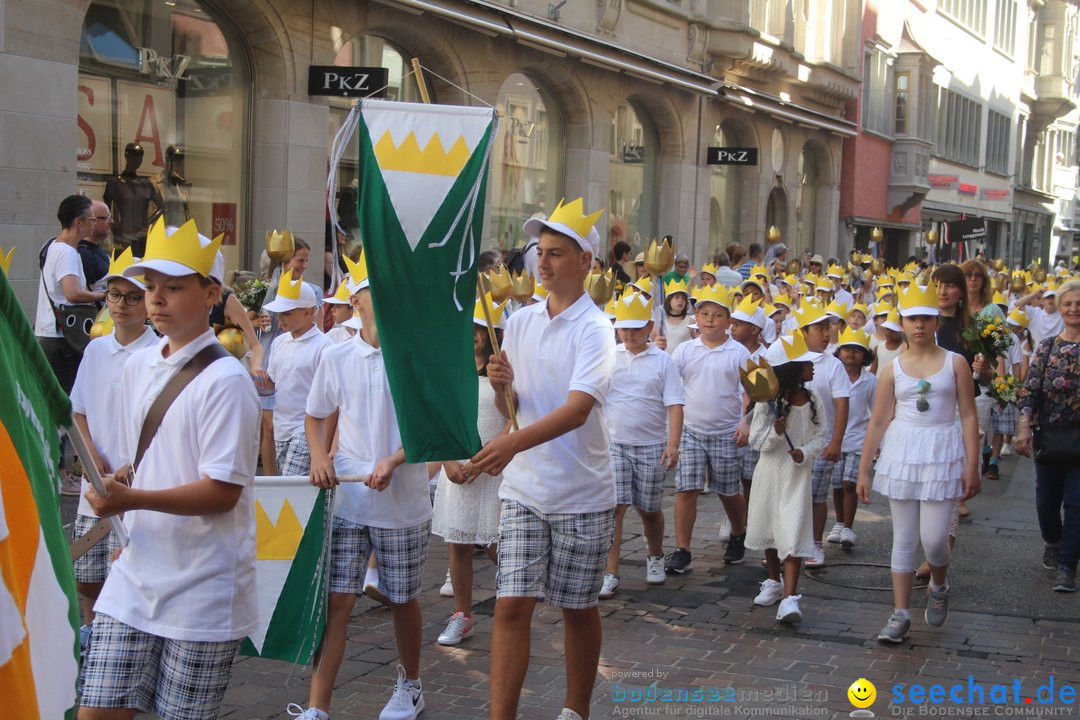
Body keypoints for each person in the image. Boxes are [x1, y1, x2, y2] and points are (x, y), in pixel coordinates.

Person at [80, 218, 261, 720]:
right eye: (151, 286)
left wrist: (132, 499)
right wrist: (122, 491)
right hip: (135, 574)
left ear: (210, 295)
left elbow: (222, 492)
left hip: (202, 588)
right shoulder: (138, 365)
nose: (156, 299)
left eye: (173, 288)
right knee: (96, 711)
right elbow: (141, 463)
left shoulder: (227, 380)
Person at [462, 199, 615, 720]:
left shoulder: (596, 330)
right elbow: (517, 408)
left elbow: (576, 411)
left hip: (581, 490)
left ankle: (576, 709)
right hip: (525, 489)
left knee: (577, 608)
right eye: (538, 253)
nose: (543, 264)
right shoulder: (521, 321)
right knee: (510, 605)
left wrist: (511, 441)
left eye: (556, 253)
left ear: (586, 262)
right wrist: (502, 389)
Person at [298, 267, 433, 720]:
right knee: (337, 601)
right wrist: (320, 457)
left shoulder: (414, 353)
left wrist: (394, 460)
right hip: (350, 500)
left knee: (402, 599)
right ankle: (318, 706)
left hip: (404, 500)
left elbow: (430, 427)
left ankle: (410, 685)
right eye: (377, 289)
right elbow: (316, 416)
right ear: (356, 302)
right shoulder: (337, 357)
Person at [857, 282, 979, 643]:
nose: (920, 325)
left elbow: (969, 416)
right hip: (903, 451)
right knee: (905, 537)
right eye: (912, 319)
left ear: (936, 321)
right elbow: (878, 420)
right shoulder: (891, 369)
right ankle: (900, 613)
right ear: (903, 323)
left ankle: (939, 583)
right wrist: (863, 469)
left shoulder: (955, 363)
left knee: (936, 538)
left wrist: (972, 465)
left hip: (942, 451)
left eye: (926, 318)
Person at [69, 248, 157, 646]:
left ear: (150, 303)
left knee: (130, 565)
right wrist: (90, 458)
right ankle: (90, 627)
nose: (122, 305)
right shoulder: (96, 350)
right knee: (87, 573)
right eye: (115, 296)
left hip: (139, 482)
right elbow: (79, 410)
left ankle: (122, 634)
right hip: (97, 477)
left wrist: (131, 466)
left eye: (133, 297)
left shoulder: (157, 355)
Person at [430, 295, 508, 646]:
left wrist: (490, 456)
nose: (474, 334)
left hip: (493, 467)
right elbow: (442, 419)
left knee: (498, 542)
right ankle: (462, 615)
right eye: (470, 328)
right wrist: (449, 461)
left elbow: (513, 418)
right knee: (458, 543)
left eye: (481, 328)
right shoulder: (452, 368)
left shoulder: (504, 370)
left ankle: (512, 606)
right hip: (458, 467)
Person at [599, 291, 684, 599]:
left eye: (636, 328)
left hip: (650, 444)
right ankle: (610, 570)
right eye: (624, 328)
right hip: (615, 443)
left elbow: (675, 404)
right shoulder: (609, 357)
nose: (629, 334)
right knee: (615, 508)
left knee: (648, 509)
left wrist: (672, 444)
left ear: (650, 326)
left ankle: (656, 553)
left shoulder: (663, 361)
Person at [667, 284, 752, 574]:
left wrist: (744, 422)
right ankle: (682, 549)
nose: (710, 320)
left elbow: (749, 391)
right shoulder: (685, 350)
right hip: (691, 430)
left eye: (717, 315)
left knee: (728, 491)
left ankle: (739, 533)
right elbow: (668, 382)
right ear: (696, 317)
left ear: (729, 321)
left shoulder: (738, 353)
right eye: (704, 313)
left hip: (726, 432)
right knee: (686, 488)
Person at [746, 330, 826, 623]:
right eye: (806, 363)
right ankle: (773, 580)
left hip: (796, 475)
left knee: (792, 532)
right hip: (770, 472)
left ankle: (791, 598)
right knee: (769, 526)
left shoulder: (813, 398)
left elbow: (821, 435)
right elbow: (757, 440)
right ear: (793, 370)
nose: (813, 366)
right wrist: (777, 434)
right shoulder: (767, 402)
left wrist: (804, 452)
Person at [36, 195, 107, 495]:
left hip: (54, 335)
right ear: (79, 222)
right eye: (92, 218)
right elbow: (72, 293)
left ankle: (58, 471)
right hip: (61, 337)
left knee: (60, 402)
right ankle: (61, 473)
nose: (95, 223)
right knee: (65, 404)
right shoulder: (66, 252)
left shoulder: (55, 246)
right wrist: (101, 295)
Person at [1015, 279, 1080, 593]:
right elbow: (1030, 391)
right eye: (1068, 304)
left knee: (1077, 503)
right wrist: (1024, 426)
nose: (1073, 309)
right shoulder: (1048, 346)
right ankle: (1053, 542)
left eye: (1079, 304)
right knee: (1046, 503)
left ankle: (1068, 566)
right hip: (1050, 437)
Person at [795, 303, 850, 568]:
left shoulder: (834, 365)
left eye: (828, 328)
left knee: (816, 496)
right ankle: (788, 542)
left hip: (820, 442)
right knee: (791, 494)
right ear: (803, 331)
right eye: (819, 328)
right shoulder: (789, 357)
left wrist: (836, 441)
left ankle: (815, 543)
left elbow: (842, 403)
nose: (826, 333)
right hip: (791, 441)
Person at [264, 271, 332, 478]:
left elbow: (331, 397)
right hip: (281, 426)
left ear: (308, 312)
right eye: (279, 313)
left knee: (291, 485)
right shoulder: (278, 342)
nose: (280, 319)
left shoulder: (325, 347)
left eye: (287, 313)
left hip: (307, 429)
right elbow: (272, 383)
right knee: (290, 491)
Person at [826, 327, 876, 550]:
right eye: (847, 349)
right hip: (835, 438)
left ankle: (848, 526)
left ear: (865, 355)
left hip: (858, 439)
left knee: (849, 483)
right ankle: (838, 523)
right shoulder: (832, 375)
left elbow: (876, 412)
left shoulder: (871, 381)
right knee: (836, 484)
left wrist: (877, 443)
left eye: (857, 350)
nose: (851, 354)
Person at [77, 200, 113, 294]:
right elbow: (88, 295)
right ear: (92, 220)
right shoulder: (83, 253)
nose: (111, 222)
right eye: (106, 218)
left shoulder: (99, 249)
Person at [660, 279, 694, 355]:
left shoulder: (691, 321)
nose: (680, 300)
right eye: (677, 297)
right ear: (669, 300)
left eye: (683, 298)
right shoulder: (661, 320)